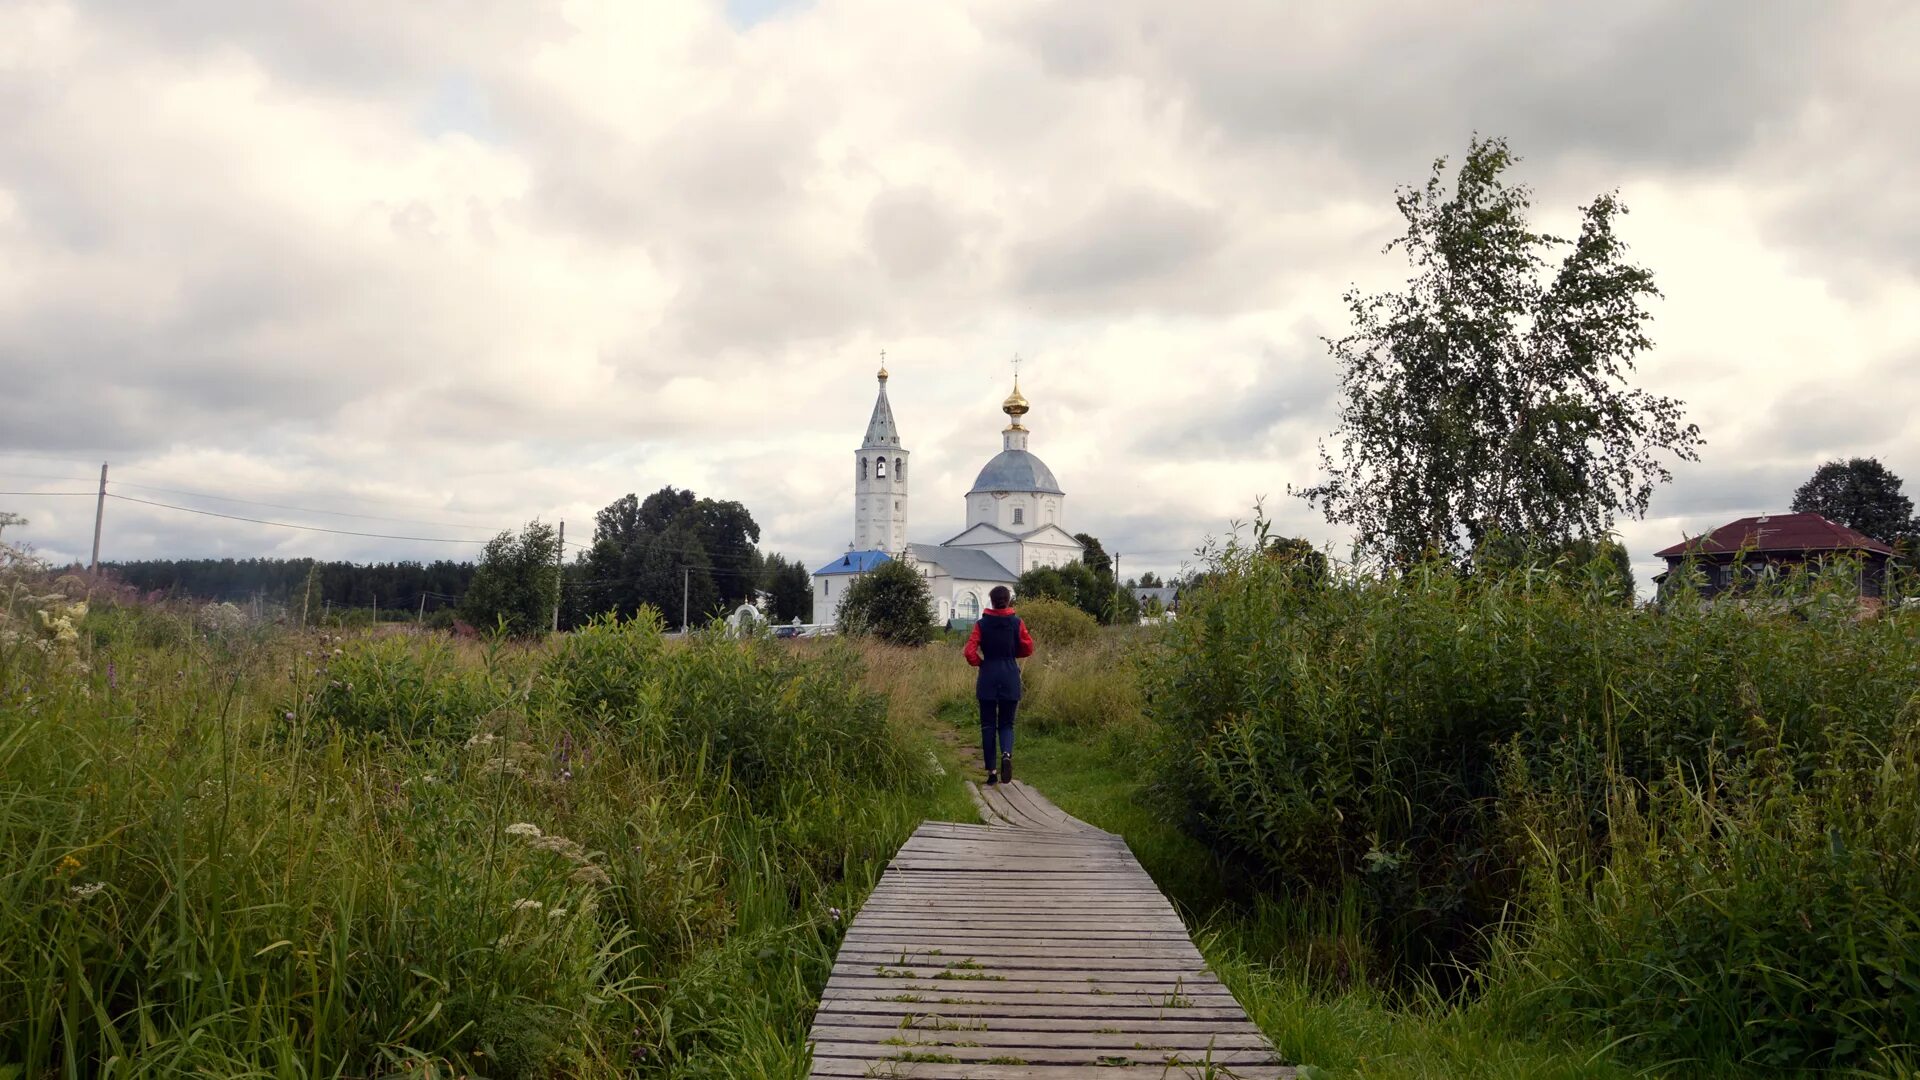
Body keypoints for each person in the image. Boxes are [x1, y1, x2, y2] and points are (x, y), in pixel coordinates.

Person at [962, 585, 1034, 786]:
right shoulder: (1017, 623)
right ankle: (1007, 755)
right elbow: (1028, 647)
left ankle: (992, 773)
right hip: (1010, 675)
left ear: (991, 601)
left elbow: (969, 652)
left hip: (988, 677)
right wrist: (1012, 655)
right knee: (1007, 723)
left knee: (987, 725)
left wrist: (981, 663)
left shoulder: (981, 624)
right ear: (1009, 600)